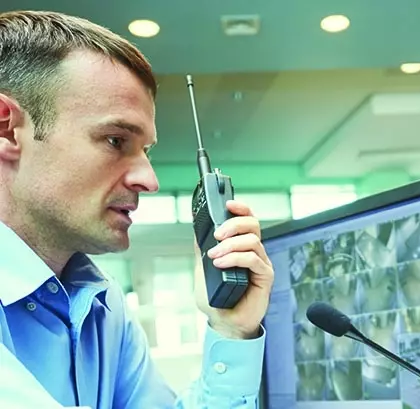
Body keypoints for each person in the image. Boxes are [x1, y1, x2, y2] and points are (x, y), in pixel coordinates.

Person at [0, 10, 274, 409]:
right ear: (6, 129)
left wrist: (231, 331)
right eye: (115, 140)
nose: (150, 180)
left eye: (146, 151)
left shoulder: (101, 304)